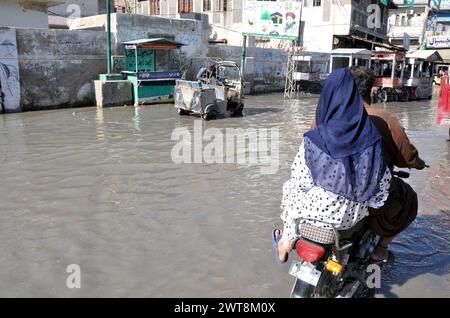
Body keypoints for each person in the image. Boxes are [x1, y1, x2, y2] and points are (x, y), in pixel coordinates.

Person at [272, 68, 392, 263]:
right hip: (348, 220)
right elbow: (379, 189)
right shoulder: (371, 137)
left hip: (308, 218)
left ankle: (286, 241)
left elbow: (300, 181)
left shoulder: (314, 138)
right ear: (354, 98)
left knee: (291, 186)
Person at [348, 66, 426, 260]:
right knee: (408, 199)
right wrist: (418, 163)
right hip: (366, 193)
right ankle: (380, 248)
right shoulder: (383, 119)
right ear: (372, 90)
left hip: (330, 193)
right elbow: (408, 157)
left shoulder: (324, 118)